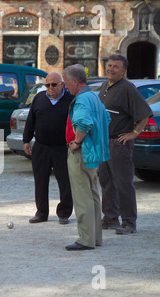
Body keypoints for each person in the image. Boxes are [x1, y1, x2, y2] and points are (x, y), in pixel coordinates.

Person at [98, 54, 153, 235]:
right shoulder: (105, 86)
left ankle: (129, 222)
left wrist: (134, 133)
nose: (111, 69)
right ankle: (111, 217)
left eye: (115, 67)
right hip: (104, 142)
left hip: (119, 144)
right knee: (106, 181)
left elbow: (144, 114)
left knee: (123, 183)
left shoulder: (128, 88)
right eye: (109, 65)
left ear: (123, 71)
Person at [62, 64, 111, 251]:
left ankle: (85, 239)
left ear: (75, 82)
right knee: (92, 194)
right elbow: (106, 119)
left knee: (82, 196)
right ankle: (95, 237)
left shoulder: (82, 100)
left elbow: (83, 122)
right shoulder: (94, 97)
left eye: (66, 83)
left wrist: (76, 142)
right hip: (94, 153)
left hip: (83, 152)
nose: (65, 87)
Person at [23, 72, 73, 224]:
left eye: (54, 84)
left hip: (62, 148)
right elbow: (30, 120)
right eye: (47, 85)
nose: (50, 88)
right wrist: (26, 140)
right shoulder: (39, 98)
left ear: (62, 84)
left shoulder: (71, 101)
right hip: (41, 146)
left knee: (65, 182)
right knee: (40, 180)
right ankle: (41, 212)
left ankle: (64, 213)